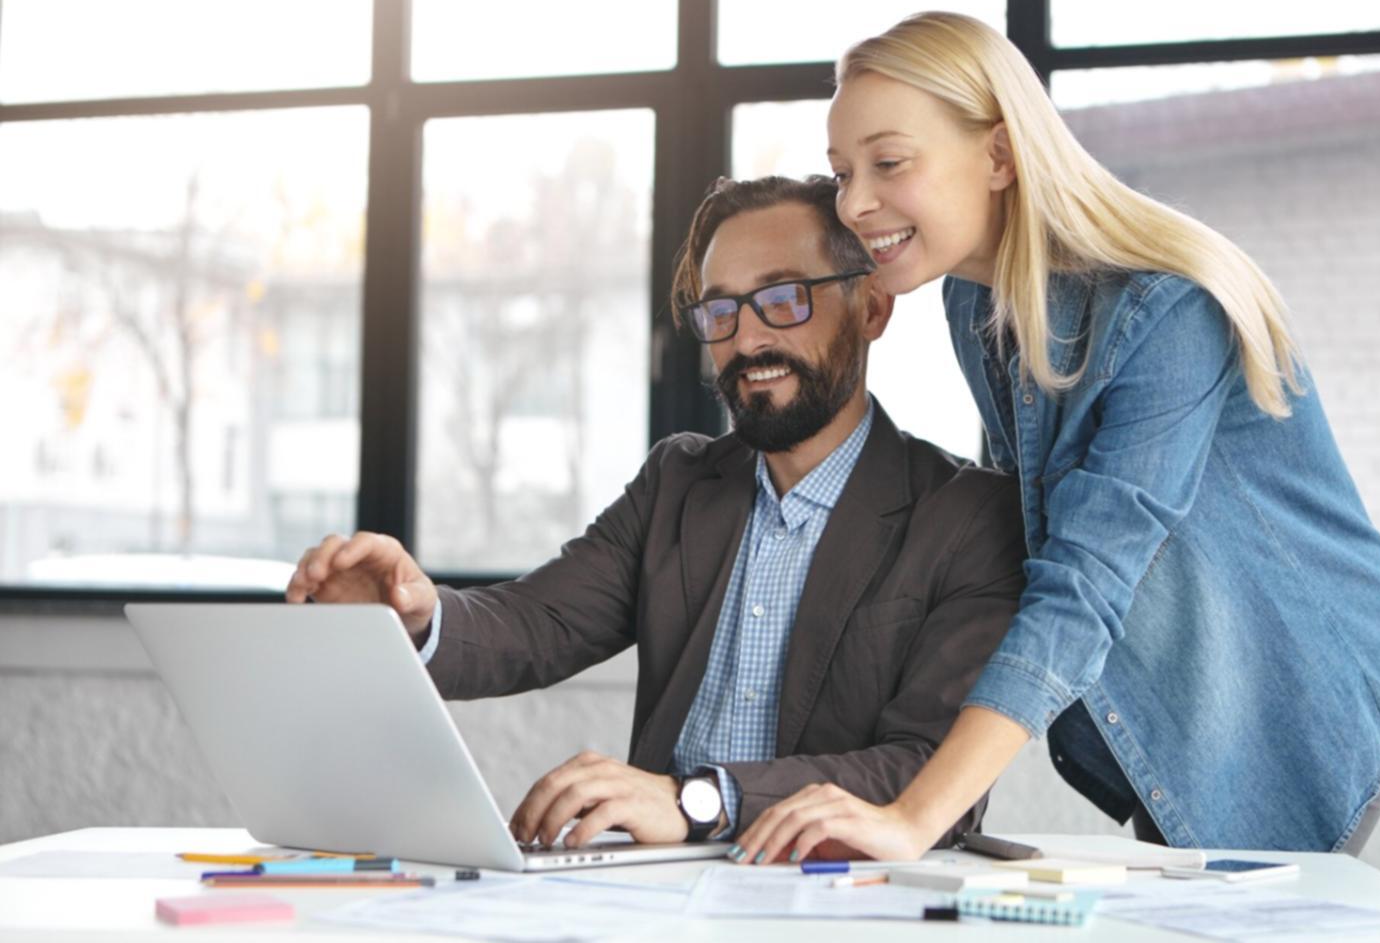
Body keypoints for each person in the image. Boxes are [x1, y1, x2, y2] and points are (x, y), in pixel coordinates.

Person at [732, 12, 1380, 864]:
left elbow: (1082, 582)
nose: (853, 202)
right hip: (1174, 698)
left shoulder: (1168, 310)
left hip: (1291, 695)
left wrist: (912, 816)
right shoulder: (972, 302)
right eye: (841, 172)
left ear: (997, 155)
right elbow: (1007, 531)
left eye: (889, 162)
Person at [284, 174, 1025, 852]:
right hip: (656, 892)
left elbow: (930, 772)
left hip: (845, 900)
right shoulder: (679, 480)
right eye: (720, 309)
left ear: (870, 307)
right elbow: (538, 622)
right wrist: (414, 613)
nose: (748, 337)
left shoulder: (966, 516)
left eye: (782, 297)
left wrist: (700, 799)